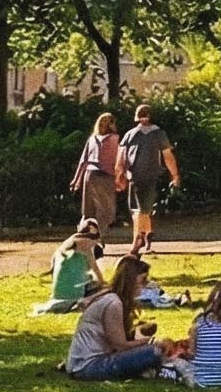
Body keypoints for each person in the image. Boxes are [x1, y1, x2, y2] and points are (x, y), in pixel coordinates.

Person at [66, 254, 170, 381]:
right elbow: (120, 345)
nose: (144, 286)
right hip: (89, 366)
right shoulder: (113, 303)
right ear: (131, 281)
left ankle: (147, 368)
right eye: (142, 281)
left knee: (152, 351)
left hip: (85, 363)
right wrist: (150, 342)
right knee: (155, 351)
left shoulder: (112, 297)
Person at [119, 102, 181, 256]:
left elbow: (121, 158)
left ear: (137, 117)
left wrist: (119, 175)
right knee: (144, 209)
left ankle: (137, 240)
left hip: (134, 176)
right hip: (151, 175)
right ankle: (147, 237)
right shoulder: (159, 134)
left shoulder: (130, 134)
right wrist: (175, 174)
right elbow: (168, 156)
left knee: (138, 210)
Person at [72, 113, 124, 243]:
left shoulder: (92, 139)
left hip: (89, 175)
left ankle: (81, 236)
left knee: (88, 211)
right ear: (112, 124)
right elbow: (118, 162)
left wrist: (76, 180)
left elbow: (83, 161)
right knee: (106, 211)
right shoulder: (116, 139)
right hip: (105, 176)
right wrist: (119, 179)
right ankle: (97, 238)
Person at [36, 219, 105, 313]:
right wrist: (105, 285)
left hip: (57, 294)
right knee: (99, 289)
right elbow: (96, 270)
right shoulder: (86, 245)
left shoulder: (67, 242)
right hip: (74, 296)